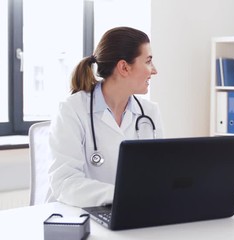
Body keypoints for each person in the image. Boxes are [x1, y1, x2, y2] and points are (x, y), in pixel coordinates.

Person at [48, 27, 163, 208]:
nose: (154, 70)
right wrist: (122, 195)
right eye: (148, 61)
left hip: (132, 211)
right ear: (124, 67)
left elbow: (158, 174)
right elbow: (65, 183)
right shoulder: (72, 110)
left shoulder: (149, 113)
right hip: (77, 216)